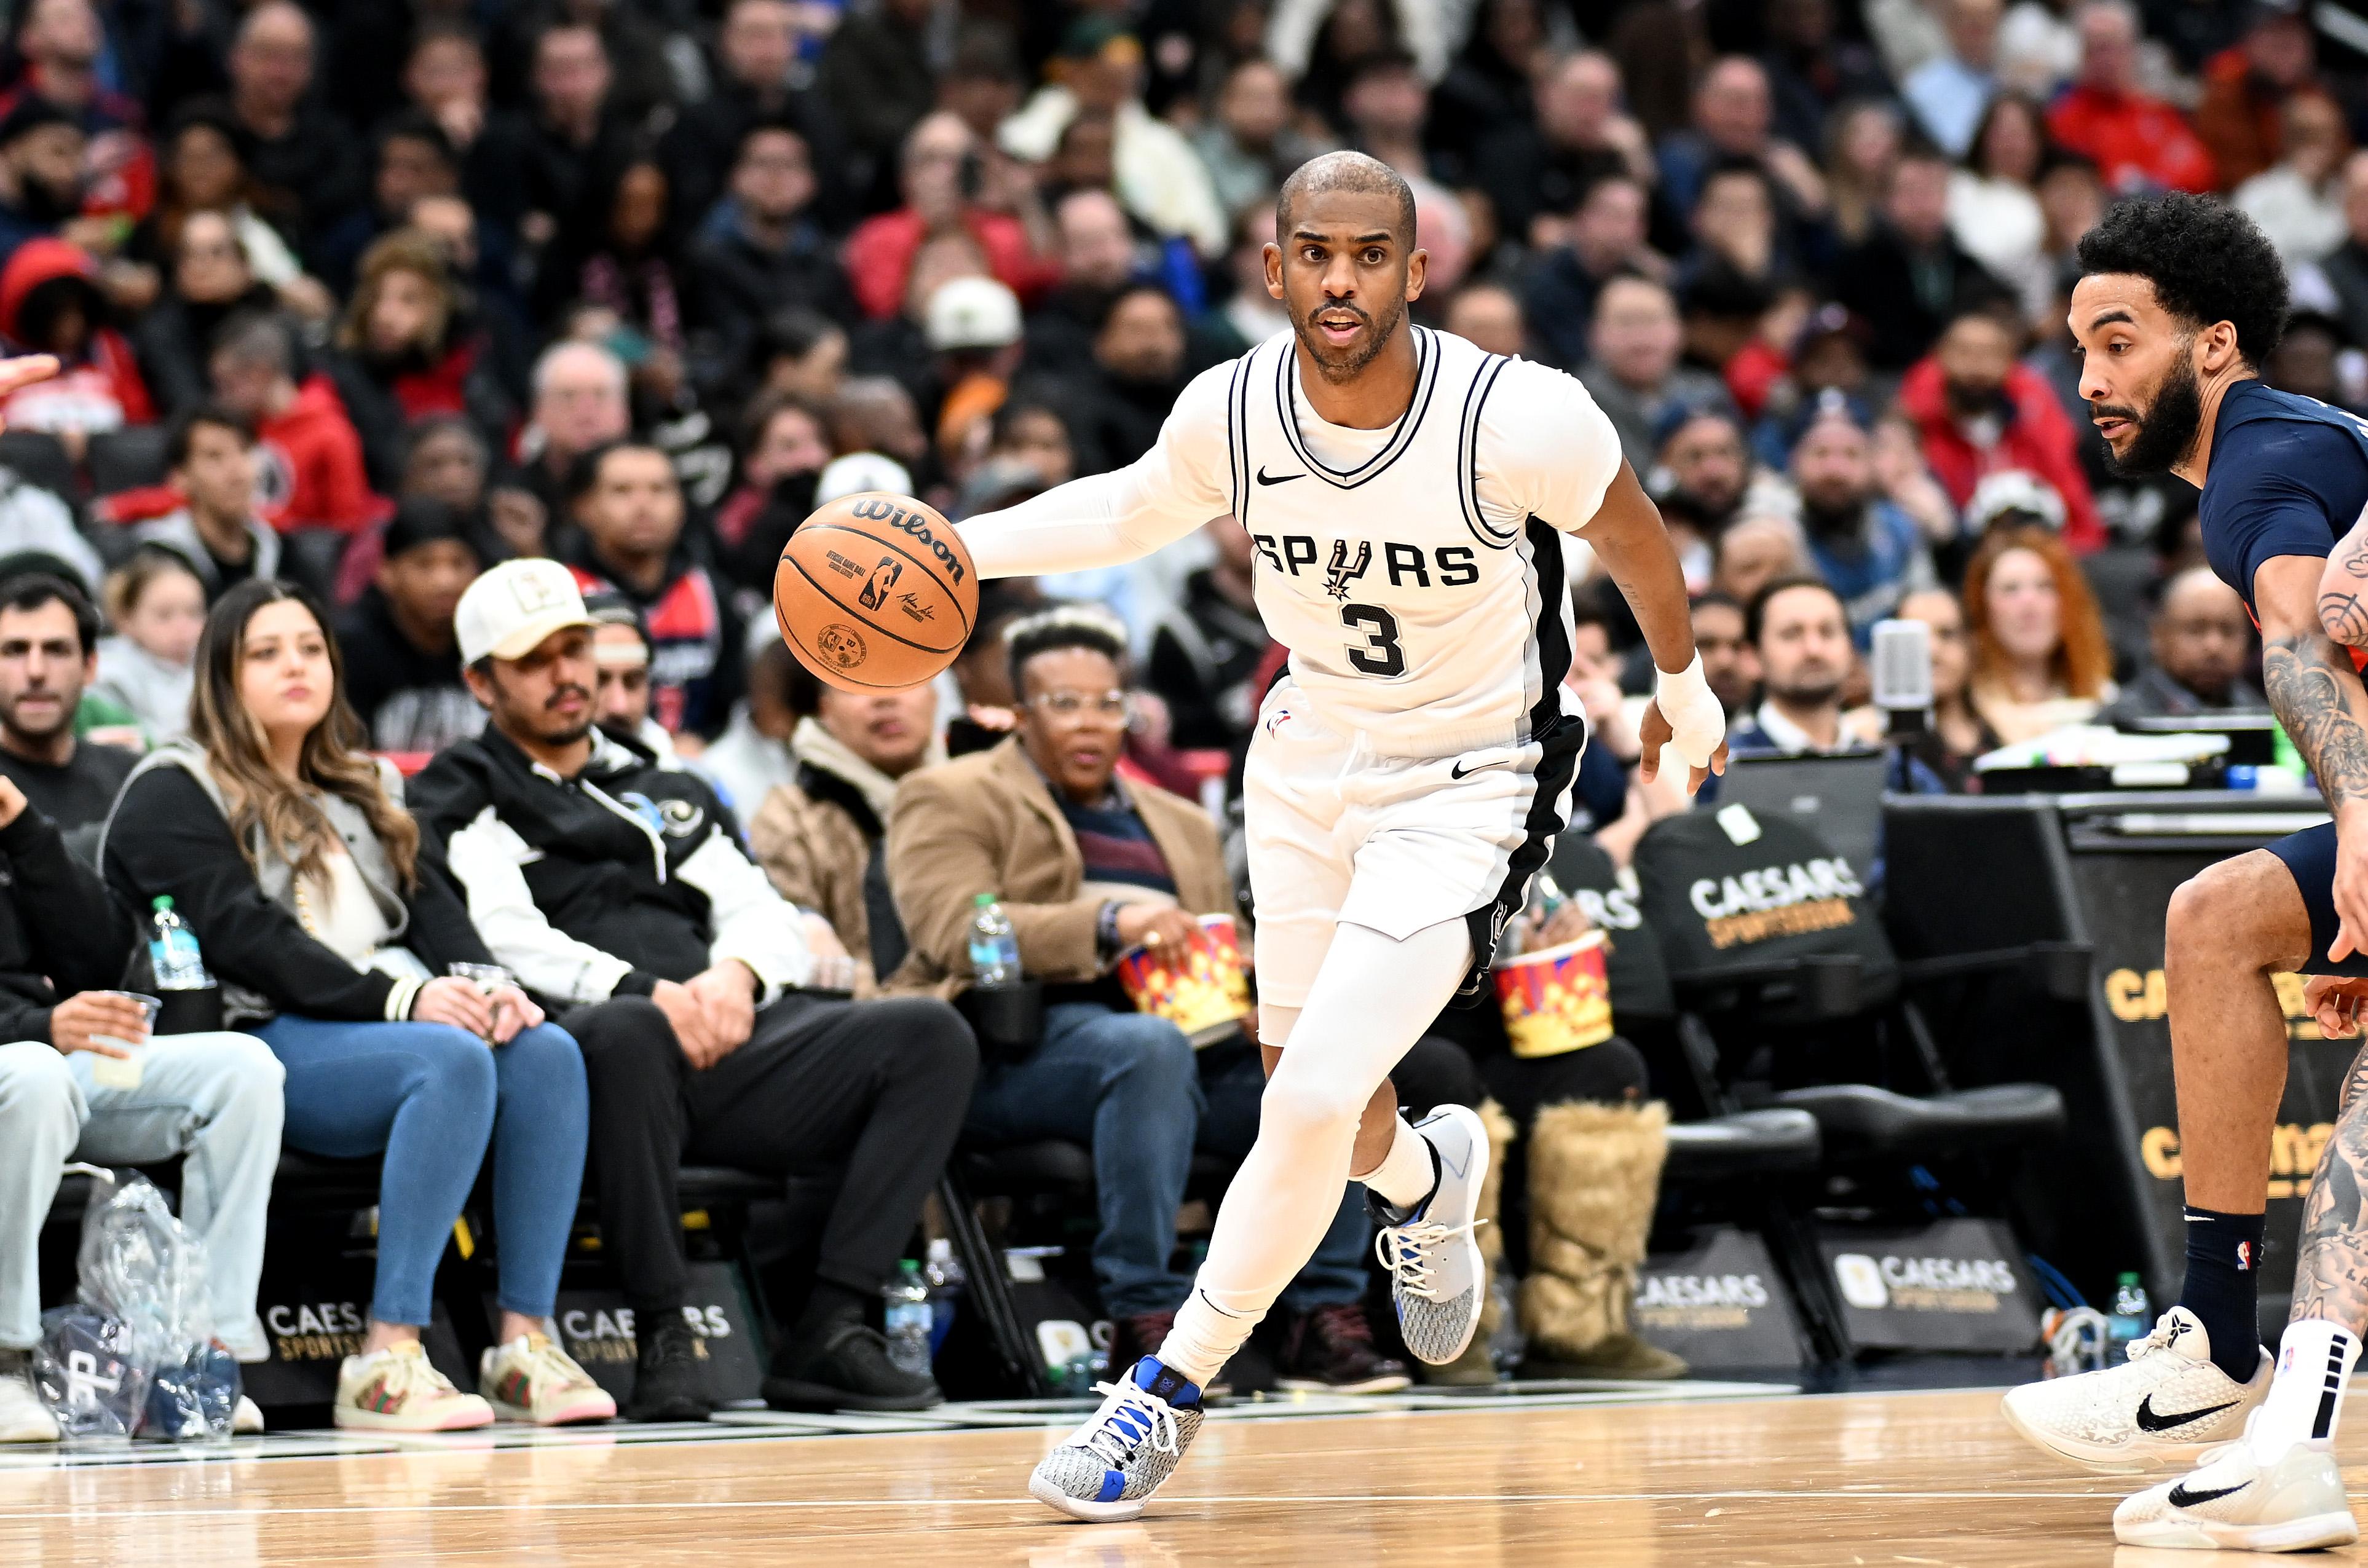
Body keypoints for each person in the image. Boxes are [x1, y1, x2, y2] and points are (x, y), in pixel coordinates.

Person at [948, 151, 1725, 1521]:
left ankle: (1164, 1390)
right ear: (1275, 268)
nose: (1342, 279)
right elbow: (1125, 509)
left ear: (1417, 270)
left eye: (1372, 255)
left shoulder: (1513, 414)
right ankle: (1431, 1175)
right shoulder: (1232, 406)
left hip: (1474, 780)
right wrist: (958, 546)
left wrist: (1683, 683)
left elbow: (1634, 533)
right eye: (1316, 253)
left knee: (1302, 1100)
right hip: (1308, 758)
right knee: (1334, 1108)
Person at [2000, 193, 2368, 1552]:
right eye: (2079, 352)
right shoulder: (2302, 445)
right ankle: (2217, 1337)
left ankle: (2287, 1437)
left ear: (2213, 346)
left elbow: (2303, 640)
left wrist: (2362, 829)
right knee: (2214, 919)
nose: (2090, 381)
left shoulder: (2262, 463)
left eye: (2120, 342)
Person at [411, 559, 976, 1418]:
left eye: (575, 649)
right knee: (627, 1029)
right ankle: (664, 1332)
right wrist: (649, 989)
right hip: (588, 1059)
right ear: (482, 682)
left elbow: (760, 908)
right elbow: (503, 933)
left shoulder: (663, 783)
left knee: (929, 1035)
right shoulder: (460, 791)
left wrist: (736, 978)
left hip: (719, 1035)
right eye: (535, 660)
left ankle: (831, 1322)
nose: (567, 675)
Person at [100, 579, 610, 1432]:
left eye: (310, 648)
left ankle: (524, 1342)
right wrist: (407, 997)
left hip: (382, 1018)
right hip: (258, 1034)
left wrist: (491, 986)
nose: (295, 666)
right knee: (449, 1059)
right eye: (266, 653)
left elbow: (437, 905)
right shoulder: (173, 787)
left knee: (547, 1051)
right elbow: (250, 938)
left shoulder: (366, 783)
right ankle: (387, 1354)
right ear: (222, 675)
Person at [886, 607, 1415, 1397]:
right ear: (1020, 713)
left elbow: (1231, 934)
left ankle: (1322, 1316)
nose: (1090, 721)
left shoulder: (1177, 819)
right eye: (1064, 703)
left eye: (1107, 703)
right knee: (1145, 1049)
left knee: (1325, 1058)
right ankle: (1145, 1315)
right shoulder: (950, 794)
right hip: (1019, 1047)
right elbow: (953, 927)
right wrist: (1110, 922)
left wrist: (1254, 990)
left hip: (1184, 1040)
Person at [0, 766, 283, 1443]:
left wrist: (23, 828)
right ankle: (5, 1356)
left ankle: (201, 1354)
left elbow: (99, 957)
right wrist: (35, 1026)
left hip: (45, 1057)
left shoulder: (12, 828)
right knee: (36, 1073)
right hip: (28, 1054)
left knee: (242, 1069)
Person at [749, 664, 941, 996]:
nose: (885, 699)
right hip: (866, 1011)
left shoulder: (982, 791)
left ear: (934, 698)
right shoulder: (788, 818)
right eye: (858, 685)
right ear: (826, 710)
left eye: (904, 680)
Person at [561, 439, 743, 741]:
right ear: (584, 507)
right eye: (622, 491)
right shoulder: (561, 593)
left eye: (659, 490)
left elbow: (734, 705)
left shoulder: (711, 593)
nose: (644, 506)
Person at [336, 498, 484, 754]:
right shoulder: (351, 648)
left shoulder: (492, 641)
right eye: (424, 564)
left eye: (458, 563)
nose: (446, 581)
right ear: (386, 572)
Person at [1787, 395, 1937, 644]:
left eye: (1851, 454)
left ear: (1872, 462)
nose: (1835, 470)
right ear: (1795, 461)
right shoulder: (1778, 538)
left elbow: (1927, 615)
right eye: (1821, 453)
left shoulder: (1900, 530)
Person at [1962, 521, 2116, 742]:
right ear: (1982, 608)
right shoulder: (1965, 707)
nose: (2029, 603)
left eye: (2045, 586)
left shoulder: (2104, 695)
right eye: (2011, 589)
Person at [0, 575, 133, 828]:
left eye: (57, 650)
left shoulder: (131, 781)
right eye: (16, 650)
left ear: (89, 666)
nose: (36, 671)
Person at [2043, 0, 2215, 196]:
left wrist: (2152, 185)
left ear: (2132, 49)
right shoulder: (2064, 118)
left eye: (2113, 48)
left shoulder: (2157, 112)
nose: (2106, 60)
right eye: (2097, 49)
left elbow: (2199, 171)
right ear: (2082, 54)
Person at [127, 406, 283, 601]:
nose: (237, 473)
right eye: (215, 457)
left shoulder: (279, 549)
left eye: (244, 450)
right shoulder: (157, 558)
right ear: (179, 477)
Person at [2098, 565, 2267, 725]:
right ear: (2158, 635)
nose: (2214, 646)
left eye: (2228, 630)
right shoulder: (2117, 723)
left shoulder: (2266, 716)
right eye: (2196, 629)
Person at [93, 549, 203, 743]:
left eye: (193, 613)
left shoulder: (210, 666)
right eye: (164, 615)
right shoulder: (109, 676)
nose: (183, 628)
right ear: (126, 619)